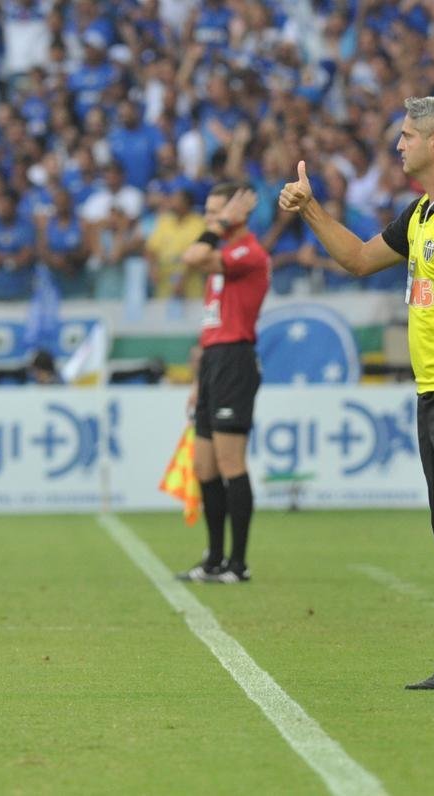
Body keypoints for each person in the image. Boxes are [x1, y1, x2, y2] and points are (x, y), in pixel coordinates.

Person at [279, 96, 434, 694]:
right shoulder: (424, 214)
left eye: (407, 135)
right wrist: (310, 210)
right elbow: (356, 259)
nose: (398, 143)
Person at [174, 182, 269, 585]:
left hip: (235, 358)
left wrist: (222, 224)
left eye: (218, 213)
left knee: (231, 464)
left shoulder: (248, 252)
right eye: (209, 213)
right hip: (214, 359)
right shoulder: (223, 255)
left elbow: (191, 255)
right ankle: (213, 558)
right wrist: (198, 380)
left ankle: (238, 562)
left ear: (237, 215)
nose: (210, 221)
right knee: (204, 466)